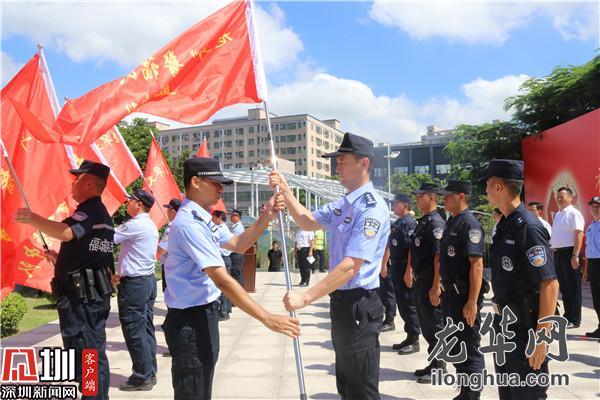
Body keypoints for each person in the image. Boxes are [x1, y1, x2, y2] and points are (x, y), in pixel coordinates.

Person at [162, 157, 299, 400]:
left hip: (204, 315)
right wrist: (266, 318)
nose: (220, 188)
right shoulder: (188, 224)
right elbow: (222, 279)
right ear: (195, 182)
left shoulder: (204, 218)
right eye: (215, 182)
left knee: (202, 386)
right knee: (193, 390)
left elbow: (238, 244)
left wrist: (267, 215)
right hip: (189, 322)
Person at [270, 132, 390, 399]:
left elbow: (351, 266)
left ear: (364, 164)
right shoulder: (345, 204)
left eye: (343, 161)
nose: (338, 166)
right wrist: (286, 191)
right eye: (337, 161)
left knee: (361, 388)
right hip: (342, 303)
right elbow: (307, 220)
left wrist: (306, 297)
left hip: (360, 304)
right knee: (346, 383)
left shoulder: (371, 208)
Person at [15, 160, 114, 399]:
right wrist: (60, 257)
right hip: (88, 298)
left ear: (89, 183)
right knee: (90, 352)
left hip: (83, 301)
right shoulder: (100, 214)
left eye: (77, 179)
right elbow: (91, 253)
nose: (73, 184)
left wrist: (32, 218)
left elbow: (65, 232)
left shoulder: (89, 210)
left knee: (87, 353)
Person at [483, 159, 559, 400]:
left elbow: (550, 283)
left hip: (526, 332)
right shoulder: (506, 225)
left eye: (487, 185)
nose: (485, 191)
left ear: (498, 187)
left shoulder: (528, 226)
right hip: (505, 327)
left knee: (527, 394)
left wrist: (541, 338)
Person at [439, 180, 485, 400]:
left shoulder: (470, 225)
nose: (444, 199)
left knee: (469, 344)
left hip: (464, 296)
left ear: (462, 196)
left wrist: (472, 302)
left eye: (448, 195)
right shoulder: (452, 222)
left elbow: (476, 264)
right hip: (450, 295)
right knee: (456, 343)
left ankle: (473, 393)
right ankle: (464, 389)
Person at [113, 189, 159, 391]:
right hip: (146, 281)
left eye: (130, 200)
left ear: (139, 204)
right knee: (145, 328)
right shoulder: (149, 224)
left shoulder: (135, 225)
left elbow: (108, 238)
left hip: (135, 285)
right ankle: (149, 371)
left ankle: (142, 376)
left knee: (134, 329)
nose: (127, 203)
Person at [410, 182, 447, 383]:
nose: (417, 199)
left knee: (435, 325)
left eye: (420, 196)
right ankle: (434, 362)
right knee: (427, 325)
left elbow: (438, 257)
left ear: (431, 197)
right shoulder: (424, 222)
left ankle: (440, 366)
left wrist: (436, 285)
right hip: (421, 281)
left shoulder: (436, 224)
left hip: (430, 282)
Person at [382, 193, 421, 354]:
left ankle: (414, 339)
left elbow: (412, 248)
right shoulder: (398, 223)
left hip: (405, 267)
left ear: (404, 205)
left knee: (409, 304)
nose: (393, 206)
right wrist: (384, 264)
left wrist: (409, 270)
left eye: (395, 203)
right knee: (403, 304)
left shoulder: (409, 223)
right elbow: (390, 246)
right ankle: (409, 336)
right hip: (396, 267)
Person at [550, 187, 585, 328]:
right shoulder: (558, 214)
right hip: (558, 253)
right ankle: (568, 315)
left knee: (573, 287)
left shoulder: (573, 213)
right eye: (558, 196)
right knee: (564, 287)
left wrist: (575, 255)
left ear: (571, 198)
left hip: (570, 252)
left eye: (562, 196)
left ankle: (575, 319)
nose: (559, 199)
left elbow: (579, 235)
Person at [210, 208, 233, 321]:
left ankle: (223, 312)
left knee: (222, 286)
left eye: (213, 217)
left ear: (219, 218)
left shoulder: (220, 230)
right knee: (225, 285)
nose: (212, 219)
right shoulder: (222, 228)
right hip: (224, 258)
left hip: (223, 259)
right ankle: (226, 309)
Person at [157, 198, 182, 292]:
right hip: (181, 267)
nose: (166, 212)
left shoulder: (171, 228)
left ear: (173, 211)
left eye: (168, 209)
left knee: (170, 296)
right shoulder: (183, 225)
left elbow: (161, 251)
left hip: (170, 268)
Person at [584, 196, 600, 338]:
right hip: (593, 264)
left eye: (598, 206)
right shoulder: (590, 226)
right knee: (597, 299)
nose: (595, 209)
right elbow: (589, 249)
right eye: (592, 206)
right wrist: (586, 269)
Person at [229, 209, 245, 287]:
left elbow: (233, 241)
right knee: (235, 273)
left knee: (237, 274)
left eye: (232, 215)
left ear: (237, 216)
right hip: (235, 253)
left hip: (236, 254)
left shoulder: (238, 227)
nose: (230, 217)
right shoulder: (235, 226)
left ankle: (241, 292)